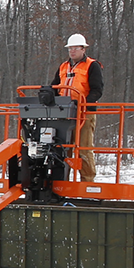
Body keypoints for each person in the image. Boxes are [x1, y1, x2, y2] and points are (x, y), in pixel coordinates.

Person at [47, 33, 103, 180]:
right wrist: (47, 93)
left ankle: (87, 181)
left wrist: (83, 104)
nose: (72, 51)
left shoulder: (92, 65)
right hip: (64, 113)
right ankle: (61, 181)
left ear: (83, 49)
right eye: (70, 48)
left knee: (83, 148)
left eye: (76, 48)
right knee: (62, 148)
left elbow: (97, 90)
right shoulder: (63, 67)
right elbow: (55, 86)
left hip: (84, 113)